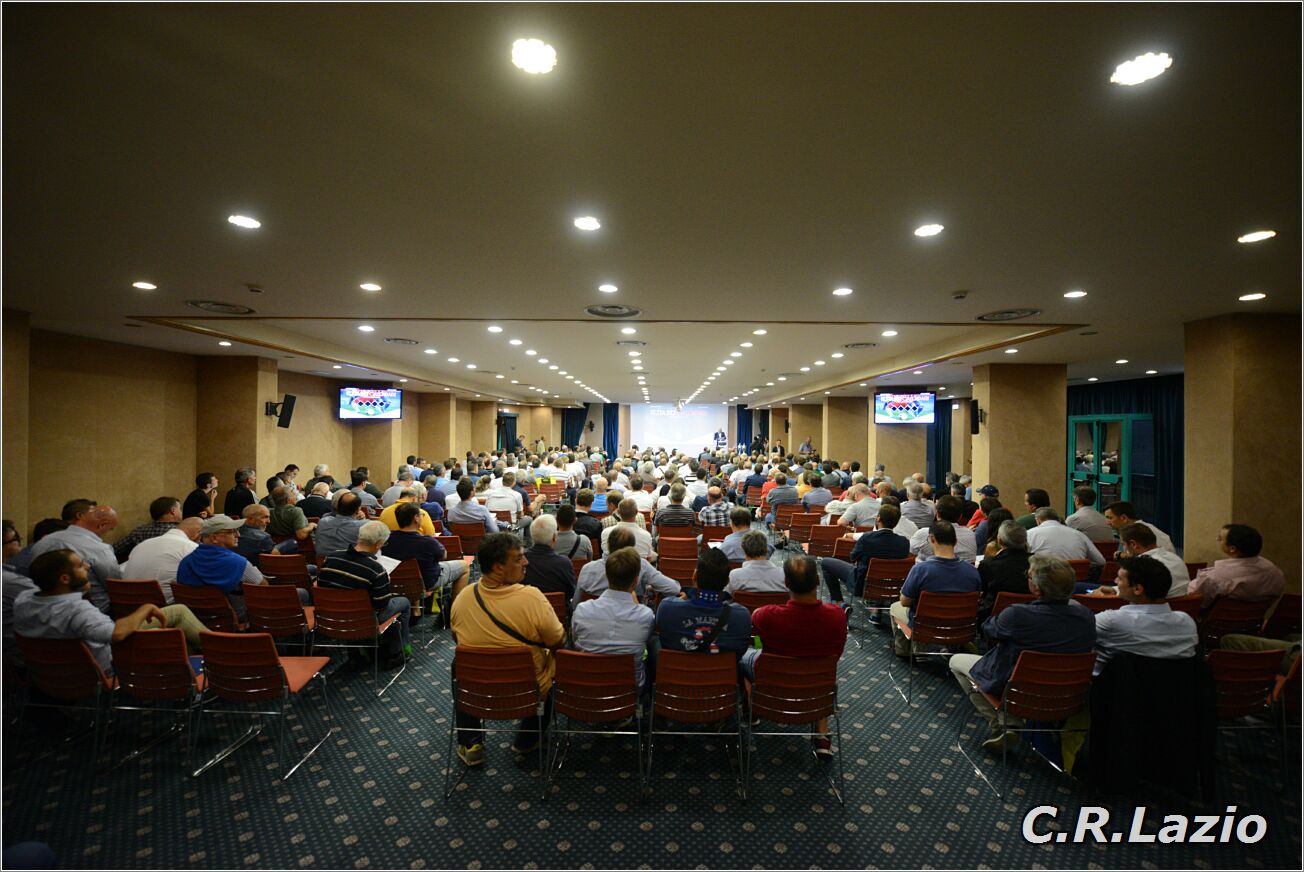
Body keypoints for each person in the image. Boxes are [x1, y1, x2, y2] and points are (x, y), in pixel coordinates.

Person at [949, 554, 1096, 753]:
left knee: (956, 661)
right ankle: (1009, 724)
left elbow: (988, 629)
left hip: (1017, 692)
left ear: (1036, 588)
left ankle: (1002, 724)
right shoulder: (1086, 616)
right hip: (1066, 697)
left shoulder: (1017, 615)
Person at [449, 533, 566, 765]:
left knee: (458, 665)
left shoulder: (463, 597)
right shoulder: (532, 597)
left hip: (477, 693)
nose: (526, 562)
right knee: (563, 658)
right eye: (519, 558)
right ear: (498, 567)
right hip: (528, 692)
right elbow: (558, 641)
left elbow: (458, 639)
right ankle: (528, 739)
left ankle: (471, 743)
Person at [14, 548, 210, 674]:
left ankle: (195, 666)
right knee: (169, 636)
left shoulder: (23, 600)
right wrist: (145, 609)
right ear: (64, 579)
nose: (87, 566)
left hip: (50, 669)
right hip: (106, 664)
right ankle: (217, 655)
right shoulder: (76, 610)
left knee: (178, 613)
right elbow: (116, 634)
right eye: (80, 566)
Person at [740, 556, 849, 758]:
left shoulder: (765, 615)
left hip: (774, 679)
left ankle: (753, 710)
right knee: (822, 670)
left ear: (786, 583)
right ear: (818, 580)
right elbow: (837, 654)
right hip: (817, 684)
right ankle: (822, 734)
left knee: (741, 656)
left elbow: (754, 636)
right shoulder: (837, 616)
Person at [316, 520, 411, 667]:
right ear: (379, 544)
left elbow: (322, 586)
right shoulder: (376, 569)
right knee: (404, 602)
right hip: (364, 619)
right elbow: (381, 605)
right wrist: (386, 583)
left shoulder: (331, 557)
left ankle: (357, 653)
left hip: (331, 616)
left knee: (351, 604)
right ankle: (398, 652)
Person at [570, 546, 657, 692]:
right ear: (635, 581)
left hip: (587, 686)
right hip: (629, 690)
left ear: (607, 576)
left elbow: (575, 640)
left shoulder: (582, 610)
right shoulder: (645, 616)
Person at [1093, 556, 1198, 675]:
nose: (1115, 581)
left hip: (1118, 685)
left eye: (1120, 579)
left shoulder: (1110, 621)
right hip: (1176, 685)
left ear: (1137, 589)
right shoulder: (1187, 622)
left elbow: (1079, 631)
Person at [891, 521, 981, 657]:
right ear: (955, 542)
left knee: (895, 607)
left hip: (924, 627)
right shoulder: (973, 572)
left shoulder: (920, 570)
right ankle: (946, 647)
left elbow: (905, 601)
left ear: (931, 539)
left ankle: (906, 651)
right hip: (959, 628)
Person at [26, 501, 121, 613]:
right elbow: (115, 586)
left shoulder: (44, 541)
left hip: (42, 608)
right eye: (110, 529)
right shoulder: (100, 549)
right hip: (93, 611)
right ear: (102, 525)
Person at [655, 548, 752, 655]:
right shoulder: (742, 616)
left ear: (694, 576)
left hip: (676, 666)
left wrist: (682, 599)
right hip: (721, 666)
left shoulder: (667, 608)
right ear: (727, 581)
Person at [175, 515, 273, 620]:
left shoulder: (186, 561)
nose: (238, 535)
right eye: (232, 532)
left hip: (196, 617)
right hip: (234, 618)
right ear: (214, 538)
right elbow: (263, 587)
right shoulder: (238, 562)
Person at [821, 504, 910, 612]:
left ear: (878, 519)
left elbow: (852, 557)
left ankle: (839, 603)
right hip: (891, 588)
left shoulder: (867, 538)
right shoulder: (904, 543)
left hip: (862, 585)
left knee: (825, 562)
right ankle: (876, 609)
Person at [381, 502, 469, 605]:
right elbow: (443, 556)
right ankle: (455, 607)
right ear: (416, 518)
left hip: (397, 583)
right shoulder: (427, 541)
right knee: (465, 566)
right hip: (427, 582)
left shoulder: (386, 540)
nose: (422, 517)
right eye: (421, 515)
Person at [574, 527, 681, 606]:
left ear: (608, 545)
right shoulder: (641, 565)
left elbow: (576, 604)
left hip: (594, 623)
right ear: (631, 549)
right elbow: (673, 589)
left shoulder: (587, 569)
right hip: (633, 621)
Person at [1189, 523, 1285, 607]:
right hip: (1255, 621)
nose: (1218, 541)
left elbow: (1196, 604)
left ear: (1232, 549)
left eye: (1220, 539)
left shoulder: (1214, 578)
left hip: (1216, 621)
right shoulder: (1274, 572)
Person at [1094, 522, 1188, 597]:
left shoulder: (1141, 566)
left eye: (1123, 544)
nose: (1123, 549)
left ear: (1133, 544)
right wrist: (1115, 590)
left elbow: (1136, 594)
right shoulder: (1177, 559)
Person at [976, 521, 1032, 622]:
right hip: (1030, 614)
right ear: (1025, 541)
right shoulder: (1038, 562)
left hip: (993, 617)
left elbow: (982, 590)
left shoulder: (988, 565)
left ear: (1000, 541)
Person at [1025, 507, 1105, 575]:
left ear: (1038, 520)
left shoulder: (1029, 534)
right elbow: (1100, 561)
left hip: (1043, 582)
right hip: (1076, 582)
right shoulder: (1079, 535)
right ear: (1058, 520)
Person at [908, 495, 979, 563]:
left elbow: (910, 552)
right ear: (960, 516)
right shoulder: (971, 535)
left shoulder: (923, 534)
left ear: (937, 514)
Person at [520, 514, 576, 600]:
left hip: (528, 607)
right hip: (557, 608)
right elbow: (571, 593)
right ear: (554, 537)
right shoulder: (564, 563)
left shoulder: (520, 561)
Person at [112, 496, 182, 562]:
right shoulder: (181, 531)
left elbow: (114, 549)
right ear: (173, 511)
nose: (181, 512)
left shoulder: (139, 532)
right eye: (180, 509)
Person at [1102, 500, 1174, 554]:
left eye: (1110, 518)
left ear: (1124, 518)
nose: (1108, 523)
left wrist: (1121, 556)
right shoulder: (1135, 529)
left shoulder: (1141, 532)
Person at [314, 491, 368, 557]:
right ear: (358, 509)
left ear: (338, 506)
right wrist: (362, 519)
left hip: (324, 562)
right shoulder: (364, 526)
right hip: (348, 562)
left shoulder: (322, 521)